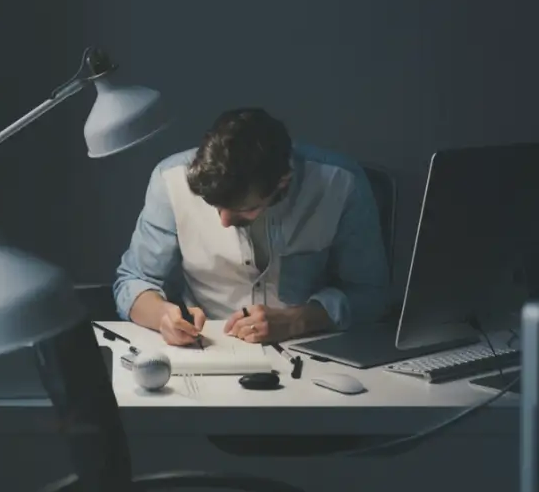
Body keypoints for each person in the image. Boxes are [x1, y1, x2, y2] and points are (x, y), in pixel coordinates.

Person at [113, 107, 390, 346]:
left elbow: (372, 295)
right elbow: (133, 282)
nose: (223, 221)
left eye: (244, 209)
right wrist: (163, 315)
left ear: (282, 183)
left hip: (310, 357)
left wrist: (298, 321)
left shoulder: (340, 183)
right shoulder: (170, 181)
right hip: (208, 349)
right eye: (215, 207)